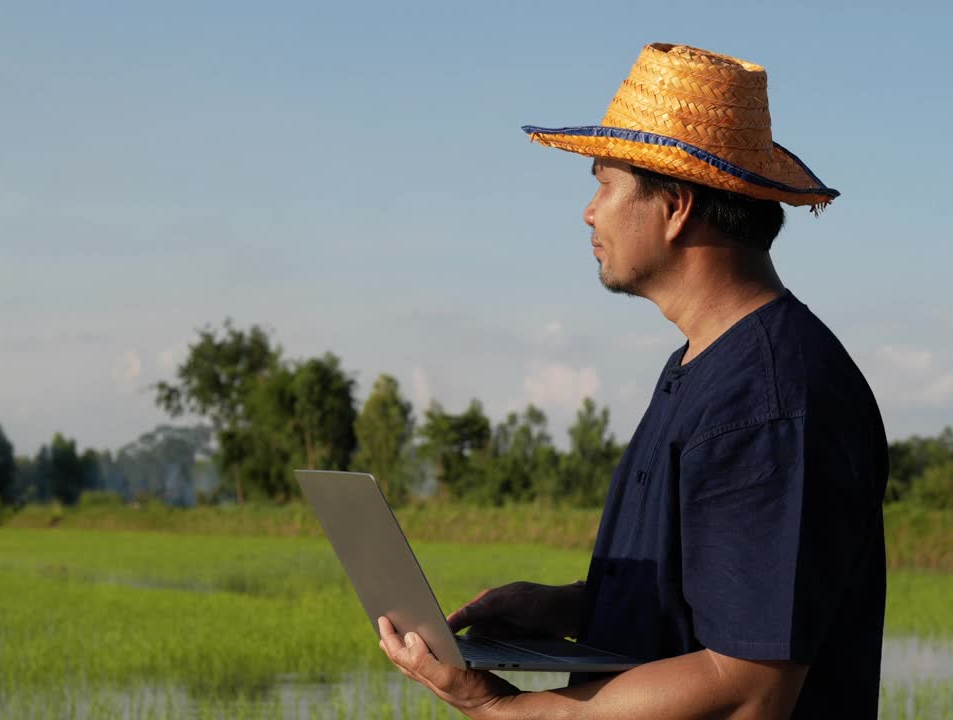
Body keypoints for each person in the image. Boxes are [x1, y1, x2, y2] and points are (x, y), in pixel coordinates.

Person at [379, 42, 889, 719]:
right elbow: (708, 601)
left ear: (675, 206)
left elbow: (746, 687)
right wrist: (564, 606)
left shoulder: (768, 404)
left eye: (604, 185)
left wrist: (502, 706)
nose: (589, 212)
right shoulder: (705, 368)